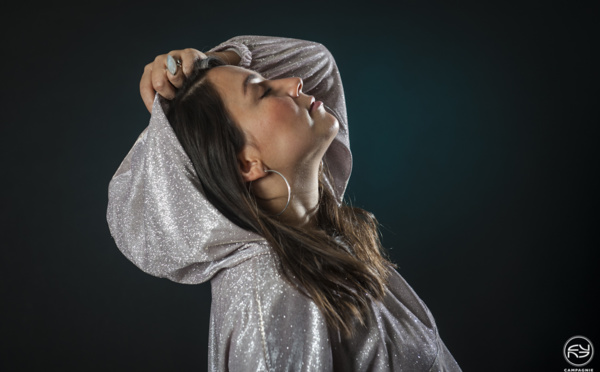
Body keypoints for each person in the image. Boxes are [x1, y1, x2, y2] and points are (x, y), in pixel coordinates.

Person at [107, 35, 461, 371]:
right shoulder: (273, 293)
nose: (294, 82)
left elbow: (317, 61)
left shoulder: (305, 240)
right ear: (246, 163)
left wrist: (213, 61)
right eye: (262, 92)